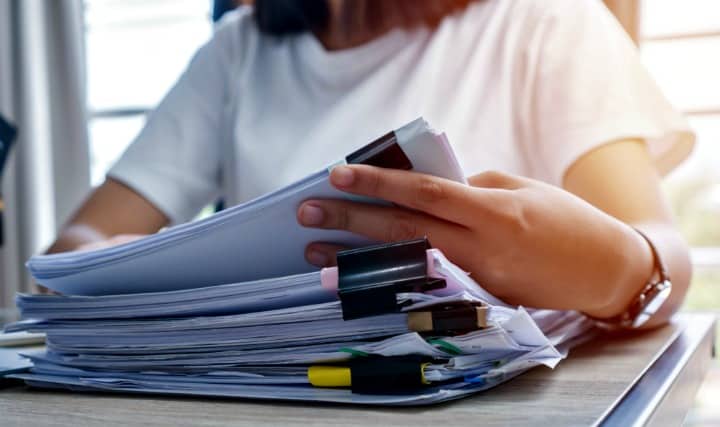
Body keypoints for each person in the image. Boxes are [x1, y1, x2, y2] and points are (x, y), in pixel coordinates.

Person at [47, 0, 695, 328]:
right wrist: (147, 268)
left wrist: (604, 267)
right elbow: (72, 249)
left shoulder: (543, 21)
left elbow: (664, 251)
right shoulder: (235, 54)